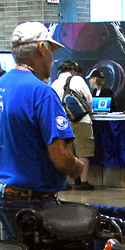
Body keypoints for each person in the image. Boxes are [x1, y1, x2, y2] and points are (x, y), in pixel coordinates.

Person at [0, 21, 82, 242]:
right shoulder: (42, 93)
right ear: (41, 48)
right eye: (51, 51)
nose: (53, 59)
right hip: (34, 204)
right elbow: (61, 160)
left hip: (3, 196)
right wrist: (77, 167)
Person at [51, 59, 95, 191]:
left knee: (66, 151)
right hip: (81, 120)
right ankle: (83, 182)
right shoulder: (77, 80)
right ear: (73, 70)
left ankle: (66, 181)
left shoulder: (55, 83)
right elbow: (88, 99)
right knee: (83, 150)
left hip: (62, 122)